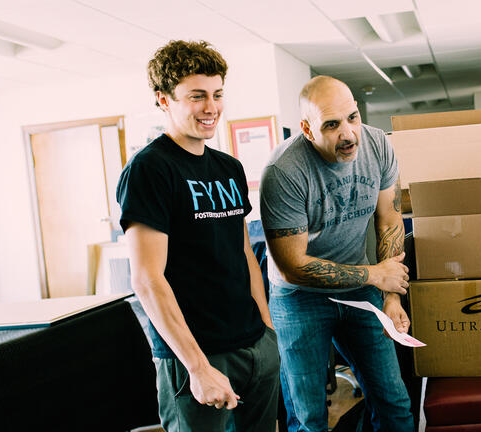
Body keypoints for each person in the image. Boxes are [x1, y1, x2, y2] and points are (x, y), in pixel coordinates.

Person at [116, 40, 279, 432]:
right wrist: (197, 366)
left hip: (254, 345)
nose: (211, 108)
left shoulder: (229, 168)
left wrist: (267, 330)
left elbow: (242, 252)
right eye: (197, 96)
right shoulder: (150, 169)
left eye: (218, 94)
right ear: (164, 100)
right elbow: (146, 278)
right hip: (196, 356)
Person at [259, 75, 414, 431]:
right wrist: (375, 275)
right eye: (331, 125)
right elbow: (292, 268)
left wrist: (390, 298)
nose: (348, 134)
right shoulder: (284, 172)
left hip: (361, 292)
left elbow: (389, 219)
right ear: (307, 129)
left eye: (353, 117)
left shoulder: (378, 146)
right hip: (299, 299)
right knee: (309, 418)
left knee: (395, 405)